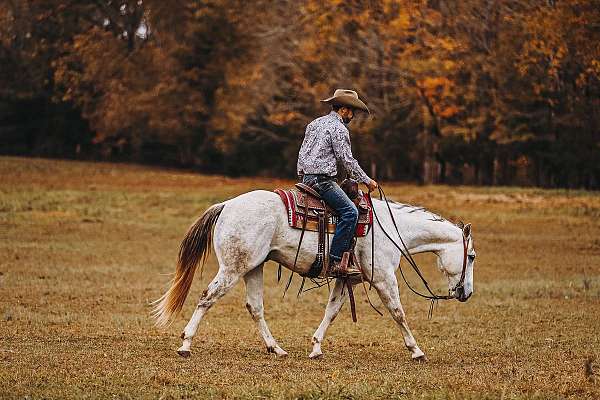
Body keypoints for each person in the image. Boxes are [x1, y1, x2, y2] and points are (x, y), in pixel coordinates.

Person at [297, 89, 378, 277]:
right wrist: (367, 180)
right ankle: (335, 261)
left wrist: (302, 177)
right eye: (352, 111)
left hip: (306, 179)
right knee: (350, 212)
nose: (353, 115)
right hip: (323, 181)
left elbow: (302, 153)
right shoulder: (339, 128)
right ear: (343, 110)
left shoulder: (314, 123)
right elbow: (347, 160)